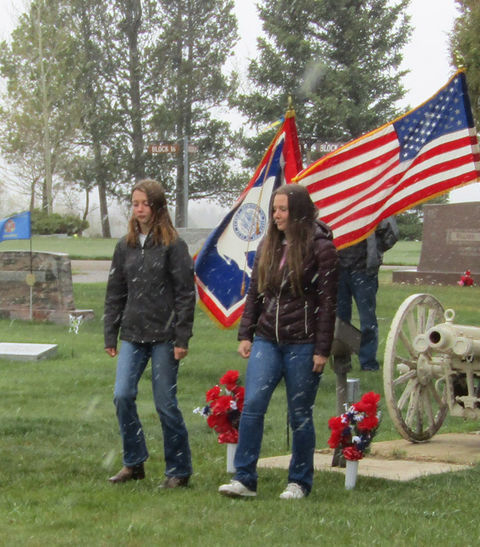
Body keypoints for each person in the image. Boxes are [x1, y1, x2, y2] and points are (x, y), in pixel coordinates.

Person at [218, 184, 338, 500]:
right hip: (267, 339)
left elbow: (328, 303)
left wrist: (322, 349)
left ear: (298, 211)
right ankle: (244, 478)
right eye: (274, 209)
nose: (276, 215)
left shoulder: (321, 247)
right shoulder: (268, 245)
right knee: (254, 405)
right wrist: (246, 334)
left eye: (282, 209)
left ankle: (299, 481)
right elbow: (255, 294)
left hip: (304, 342)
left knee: (299, 414)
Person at [104, 179, 196, 489]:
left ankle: (179, 470)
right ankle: (134, 461)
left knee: (165, 403)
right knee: (122, 395)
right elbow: (115, 291)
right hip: (132, 334)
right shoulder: (124, 245)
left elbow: (185, 293)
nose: (139, 209)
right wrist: (110, 334)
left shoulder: (173, 245)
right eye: (135, 203)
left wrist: (182, 337)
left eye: (144, 203)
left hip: (165, 335)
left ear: (157, 206)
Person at [334, 217, 399, 372]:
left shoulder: (371, 202)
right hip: (339, 269)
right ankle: (342, 362)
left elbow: (392, 233)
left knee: (367, 320)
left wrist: (376, 250)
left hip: (364, 271)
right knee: (341, 320)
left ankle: (368, 363)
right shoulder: (339, 202)